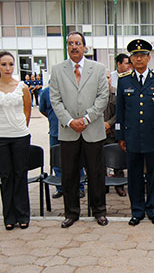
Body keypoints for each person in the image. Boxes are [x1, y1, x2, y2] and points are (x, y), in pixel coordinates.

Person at [49, 31, 109, 228]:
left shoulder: (98, 69)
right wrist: (69, 121)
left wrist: (86, 118)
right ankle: (71, 213)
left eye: (78, 43)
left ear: (85, 47)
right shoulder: (58, 70)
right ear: (67, 47)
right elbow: (55, 100)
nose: (74, 46)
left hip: (92, 129)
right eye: (70, 43)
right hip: (68, 131)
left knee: (96, 173)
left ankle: (99, 211)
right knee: (69, 175)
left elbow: (103, 97)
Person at [116, 38, 154, 226]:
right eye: (135, 55)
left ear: (149, 58)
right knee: (134, 176)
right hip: (131, 137)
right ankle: (137, 211)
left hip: (153, 137)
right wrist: (120, 136)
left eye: (142, 55)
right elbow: (120, 113)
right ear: (131, 59)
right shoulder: (124, 81)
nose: (138, 59)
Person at [0, 51, 32, 230]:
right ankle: (9, 217)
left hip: (20, 135)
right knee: (6, 176)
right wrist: (4, 127)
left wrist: (20, 127)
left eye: (11, 64)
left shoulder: (22, 87)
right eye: (3, 64)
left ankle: (23, 215)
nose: (7, 68)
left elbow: (27, 111)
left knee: (21, 174)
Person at [39, 85, 86, 200]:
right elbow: (43, 110)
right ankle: (61, 188)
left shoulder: (72, 89)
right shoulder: (46, 92)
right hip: (55, 132)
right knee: (57, 162)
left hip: (72, 131)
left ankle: (79, 187)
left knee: (76, 160)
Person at [103, 70, 126, 196]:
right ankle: (103, 186)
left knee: (118, 160)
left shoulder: (116, 92)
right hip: (97, 132)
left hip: (112, 132)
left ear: (111, 79)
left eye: (107, 77)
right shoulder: (92, 93)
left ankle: (119, 186)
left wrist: (108, 124)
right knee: (99, 161)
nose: (105, 80)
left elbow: (120, 112)